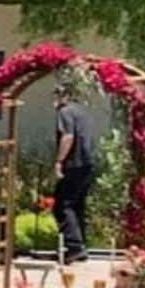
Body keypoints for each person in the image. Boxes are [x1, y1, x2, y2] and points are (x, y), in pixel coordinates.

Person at [50, 91, 101, 259]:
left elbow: (68, 137)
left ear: (63, 97)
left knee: (63, 205)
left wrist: (59, 161)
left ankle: (74, 246)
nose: (54, 101)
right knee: (78, 205)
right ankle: (81, 245)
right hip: (88, 163)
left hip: (73, 163)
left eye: (55, 96)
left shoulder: (65, 112)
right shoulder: (83, 112)